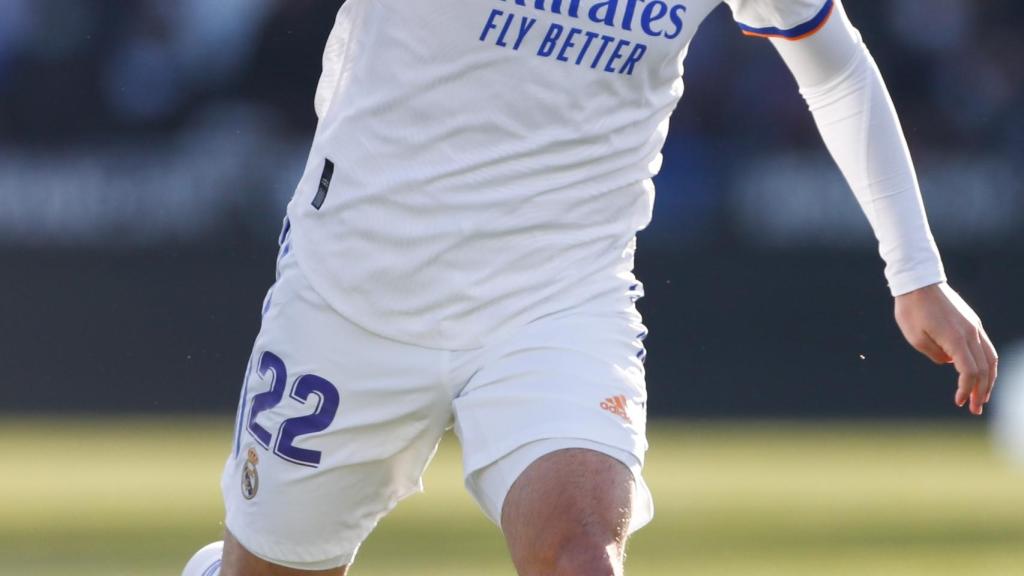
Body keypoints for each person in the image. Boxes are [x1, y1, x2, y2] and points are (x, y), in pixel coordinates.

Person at [183, 1, 998, 574]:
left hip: (559, 296)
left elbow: (836, 69)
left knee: (579, 557)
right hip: (359, 288)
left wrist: (915, 273)